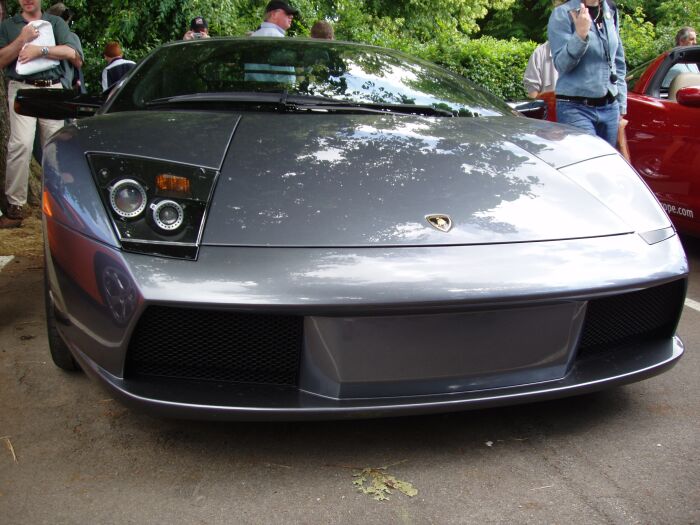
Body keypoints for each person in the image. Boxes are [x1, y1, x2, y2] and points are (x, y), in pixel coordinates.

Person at [0, 0, 83, 226]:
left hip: (52, 87)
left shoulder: (54, 22)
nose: (27, 0)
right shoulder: (8, 26)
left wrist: (40, 50)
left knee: (54, 146)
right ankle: (16, 206)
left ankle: (57, 202)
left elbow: (71, 52)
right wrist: (22, 40)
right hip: (21, 87)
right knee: (21, 144)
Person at [548, 0, 626, 147]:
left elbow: (618, 61)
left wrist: (621, 104)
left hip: (610, 107)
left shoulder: (610, 9)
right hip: (575, 108)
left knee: (606, 165)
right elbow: (561, 65)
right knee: (589, 164)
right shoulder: (563, 14)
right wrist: (580, 35)